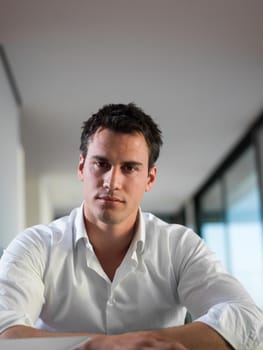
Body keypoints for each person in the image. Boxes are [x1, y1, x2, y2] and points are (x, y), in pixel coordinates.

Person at [0, 103, 262, 350]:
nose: (111, 182)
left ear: (149, 178)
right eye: (101, 164)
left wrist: (140, 341)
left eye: (129, 168)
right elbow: (4, 332)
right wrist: (103, 345)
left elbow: (249, 320)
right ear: (81, 167)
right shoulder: (35, 245)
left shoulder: (179, 245)